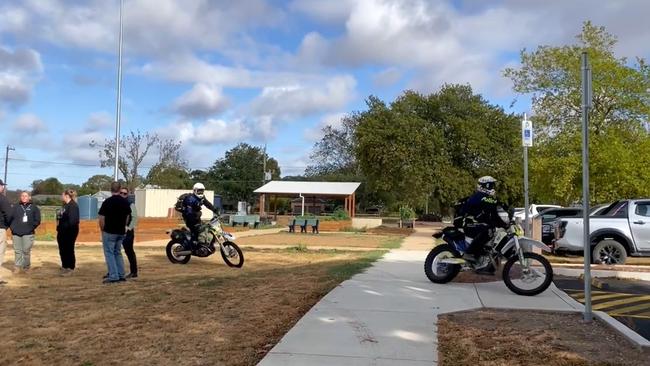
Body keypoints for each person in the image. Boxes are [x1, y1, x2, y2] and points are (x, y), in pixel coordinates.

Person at [459, 176, 508, 269]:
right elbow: (464, 210)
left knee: (493, 231)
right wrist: (478, 215)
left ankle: (485, 258)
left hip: (477, 224)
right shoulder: (477, 197)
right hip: (468, 223)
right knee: (487, 231)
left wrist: (505, 224)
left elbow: (495, 216)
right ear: (483, 186)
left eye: (493, 185)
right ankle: (470, 254)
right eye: (490, 185)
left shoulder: (490, 199)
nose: (493, 188)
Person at [98, 182, 131, 284]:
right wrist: (123, 226)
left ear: (110, 189)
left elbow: (101, 218)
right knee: (118, 252)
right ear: (119, 189)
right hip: (120, 232)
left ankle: (113, 275)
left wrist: (103, 230)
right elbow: (128, 216)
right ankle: (121, 275)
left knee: (109, 253)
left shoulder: (107, 202)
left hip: (109, 231)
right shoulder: (125, 202)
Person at [9, 191, 41, 274]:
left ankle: (26, 267)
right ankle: (17, 266)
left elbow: (37, 220)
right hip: (16, 233)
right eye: (22, 196)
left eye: (26, 196)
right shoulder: (15, 207)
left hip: (28, 233)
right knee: (17, 251)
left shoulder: (34, 207)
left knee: (26, 251)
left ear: (29, 197)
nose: (24, 197)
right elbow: (9, 218)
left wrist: (31, 228)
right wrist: (13, 228)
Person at [181, 182, 217, 248]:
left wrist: (215, 210)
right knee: (195, 230)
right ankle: (193, 247)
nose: (200, 192)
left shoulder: (202, 198)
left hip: (196, 217)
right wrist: (194, 219)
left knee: (203, 230)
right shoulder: (190, 199)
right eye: (199, 191)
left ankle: (203, 244)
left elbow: (207, 204)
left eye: (202, 191)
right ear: (195, 191)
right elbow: (189, 212)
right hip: (189, 218)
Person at [57, 189, 80, 275]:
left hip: (69, 232)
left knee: (69, 249)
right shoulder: (64, 206)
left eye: (62, 195)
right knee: (62, 249)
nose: (61, 197)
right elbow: (60, 217)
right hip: (62, 231)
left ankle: (70, 267)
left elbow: (73, 221)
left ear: (67, 196)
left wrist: (67, 231)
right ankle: (64, 265)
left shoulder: (73, 206)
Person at [121, 187, 138, 278]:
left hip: (128, 232)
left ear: (127, 195)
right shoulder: (118, 203)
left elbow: (135, 217)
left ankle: (134, 271)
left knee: (129, 251)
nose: (123, 195)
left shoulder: (130, 204)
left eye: (125, 193)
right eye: (121, 193)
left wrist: (129, 227)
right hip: (118, 231)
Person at [0, 179, 11, 285]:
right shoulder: (2, 199)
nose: (3, 187)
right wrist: (6, 226)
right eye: (2, 185)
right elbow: (9, 214)